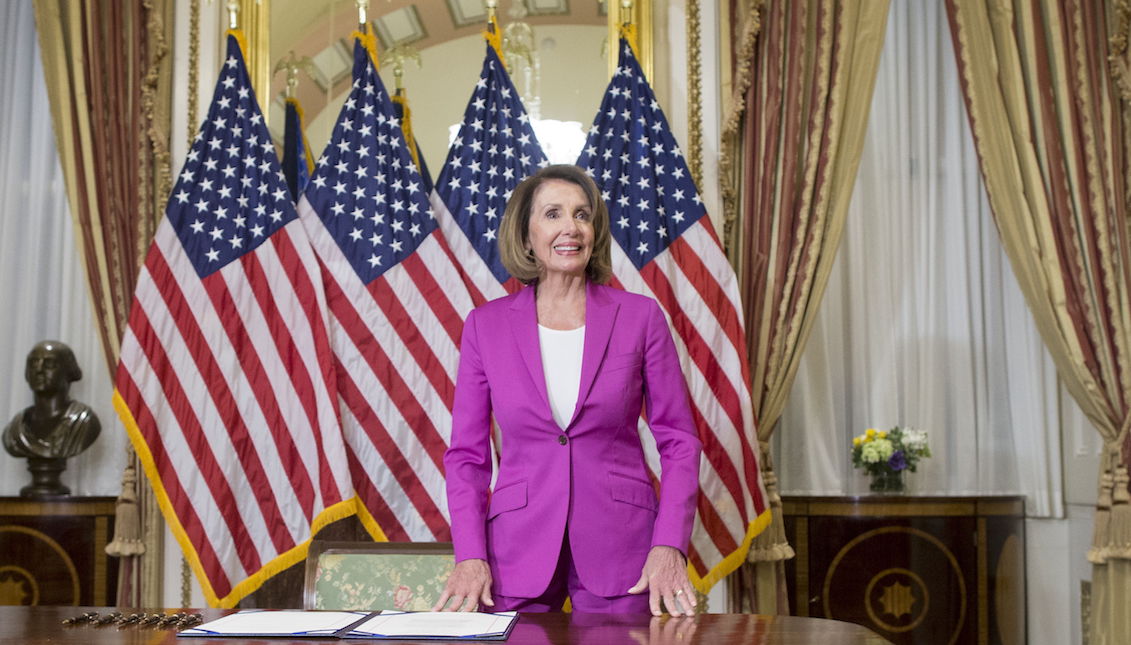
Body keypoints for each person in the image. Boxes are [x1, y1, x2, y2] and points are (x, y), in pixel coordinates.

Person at [435, 165, 702, 616]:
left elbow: (679, 442)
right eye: (553, 214)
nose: (570, 227)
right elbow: (467, 456)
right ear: (526, 236)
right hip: (514, 553)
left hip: (623, 548)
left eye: (582, 214)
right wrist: (470, 555)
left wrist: (669, 545)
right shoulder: (486, 327)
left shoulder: (641, 318)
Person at [2, 340, 101, 460]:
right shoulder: (15, 429)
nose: (39, 370)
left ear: (68, 371)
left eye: (49, 364)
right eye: (33, 363)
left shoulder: (84, 422)